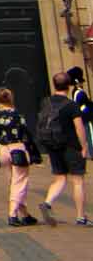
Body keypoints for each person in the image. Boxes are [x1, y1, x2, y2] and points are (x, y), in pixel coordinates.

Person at [40, 70, 90, 225]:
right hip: (71, 146)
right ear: (68, 86)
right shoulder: (71, 105)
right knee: (77, 181)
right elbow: (79, 128)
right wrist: (84, 146)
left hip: (53, 145)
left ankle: (48, 202)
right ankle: (81, 217)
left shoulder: (46, 102)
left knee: (60, 178)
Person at [0, 86, 40, 225]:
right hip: (17, 148)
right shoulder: (17, 115)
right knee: (19, 182)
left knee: (13, 182)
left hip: (2, 149)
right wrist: (34, 153)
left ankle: (25, 214)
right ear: (11, 98)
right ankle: (12, 214)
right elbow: (26, 135)